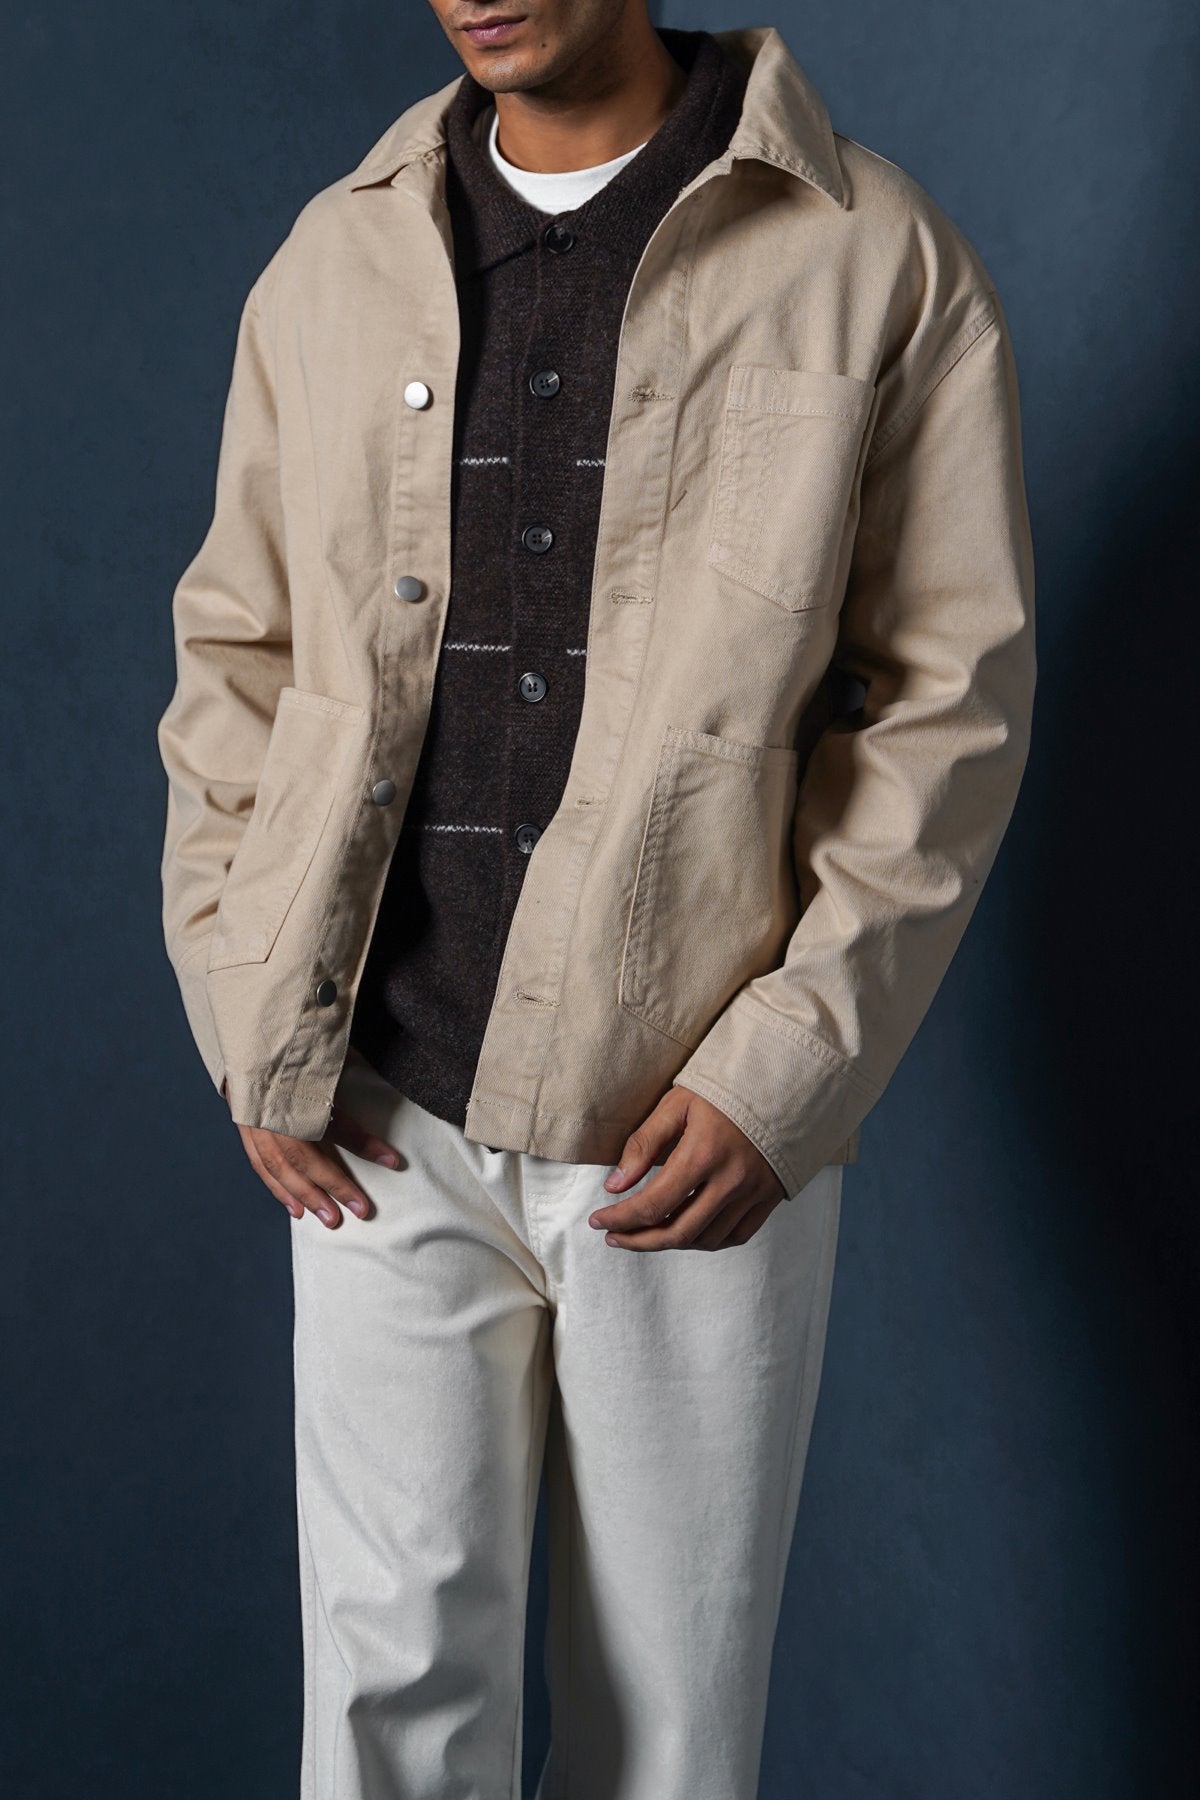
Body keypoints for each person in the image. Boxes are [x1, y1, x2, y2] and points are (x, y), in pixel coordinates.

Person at [156, 4, 1036, 1795]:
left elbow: (948, 707)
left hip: (685, 1119)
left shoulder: (874, 258)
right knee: (385, 1711)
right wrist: (252, 1008)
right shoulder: (333, 259)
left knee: (669, 1740)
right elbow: (237, 653)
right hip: (379, 1106)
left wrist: (785, 1071)